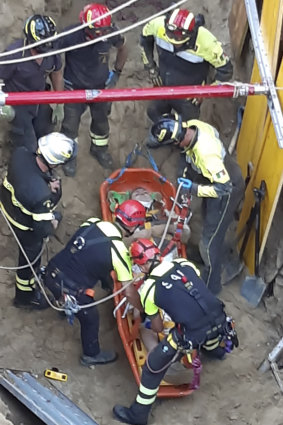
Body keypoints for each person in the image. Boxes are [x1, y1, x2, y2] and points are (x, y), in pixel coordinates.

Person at [113, 239, 238, 425]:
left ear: (145, 264)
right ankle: (215, 351)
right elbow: (194, 289)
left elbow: (158, 328)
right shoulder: (183, 263)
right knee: (205, 322)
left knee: (151, 369)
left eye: (140, 266)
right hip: (220, 318)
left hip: (192, 332)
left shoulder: (149, 288)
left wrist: (151, 322)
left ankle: (138, 414)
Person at [149, 114, 245, 295]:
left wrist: (194, 188)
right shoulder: (192, 126)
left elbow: (223, 188)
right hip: (214, 179)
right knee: (208, 220)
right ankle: (212, 257)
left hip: (227, 189)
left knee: (209, 239)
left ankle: (210, 285)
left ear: (177, 141)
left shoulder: (207, 155)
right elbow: (188, 157)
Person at [43, 201, 146, 366]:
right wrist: (142, 309)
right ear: (134, 227)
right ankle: (91, 355)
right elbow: (129, 291)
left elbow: (89, 255)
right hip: (71, 290)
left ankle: (63, 307)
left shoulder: (93, 222)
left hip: (50, 273)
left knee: (76, 279)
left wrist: (106, 282)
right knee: (91, 318)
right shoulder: (119, 251)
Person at [0, 133, 77, 309]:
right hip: (24, 226)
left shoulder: (20, 153)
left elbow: (27, 175)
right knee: (29, 263)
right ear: (54, 162)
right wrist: (53, 211)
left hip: (7, 203)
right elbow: (42, 229)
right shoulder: (41, 196)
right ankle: (25, 297)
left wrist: (44, 183)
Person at [58, 3, 128, 176]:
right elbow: (53, 55)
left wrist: (117, 73)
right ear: (86, 27)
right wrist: (59, 86)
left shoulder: (110, 32)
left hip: (100, 88)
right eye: (99, 32)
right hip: (74, 88)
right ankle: (69, 156)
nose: (103, 34)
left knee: (101, 123)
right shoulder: (71, 35)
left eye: (105, 30)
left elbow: (123, 47)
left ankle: (98, 149)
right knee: (69, 126)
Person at [140, 7, 233, 123]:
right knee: (153, 111)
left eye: (179, 39)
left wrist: (206, 91)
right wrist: (150, 67)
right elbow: (144, 39)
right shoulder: (157, 26)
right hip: (163, 84)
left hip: (189, 95)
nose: (174, 42)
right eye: (170, 36)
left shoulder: (207, 43)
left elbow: (226, 70)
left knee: (190, 123)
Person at [0, 15, 64, 151]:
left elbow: (56, 72)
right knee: (28, 146)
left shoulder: (51, 50)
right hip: (17, 105)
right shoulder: (13, 55)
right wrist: (3, 105)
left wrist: (60, 101)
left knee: (46, 135)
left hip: (39, 100)